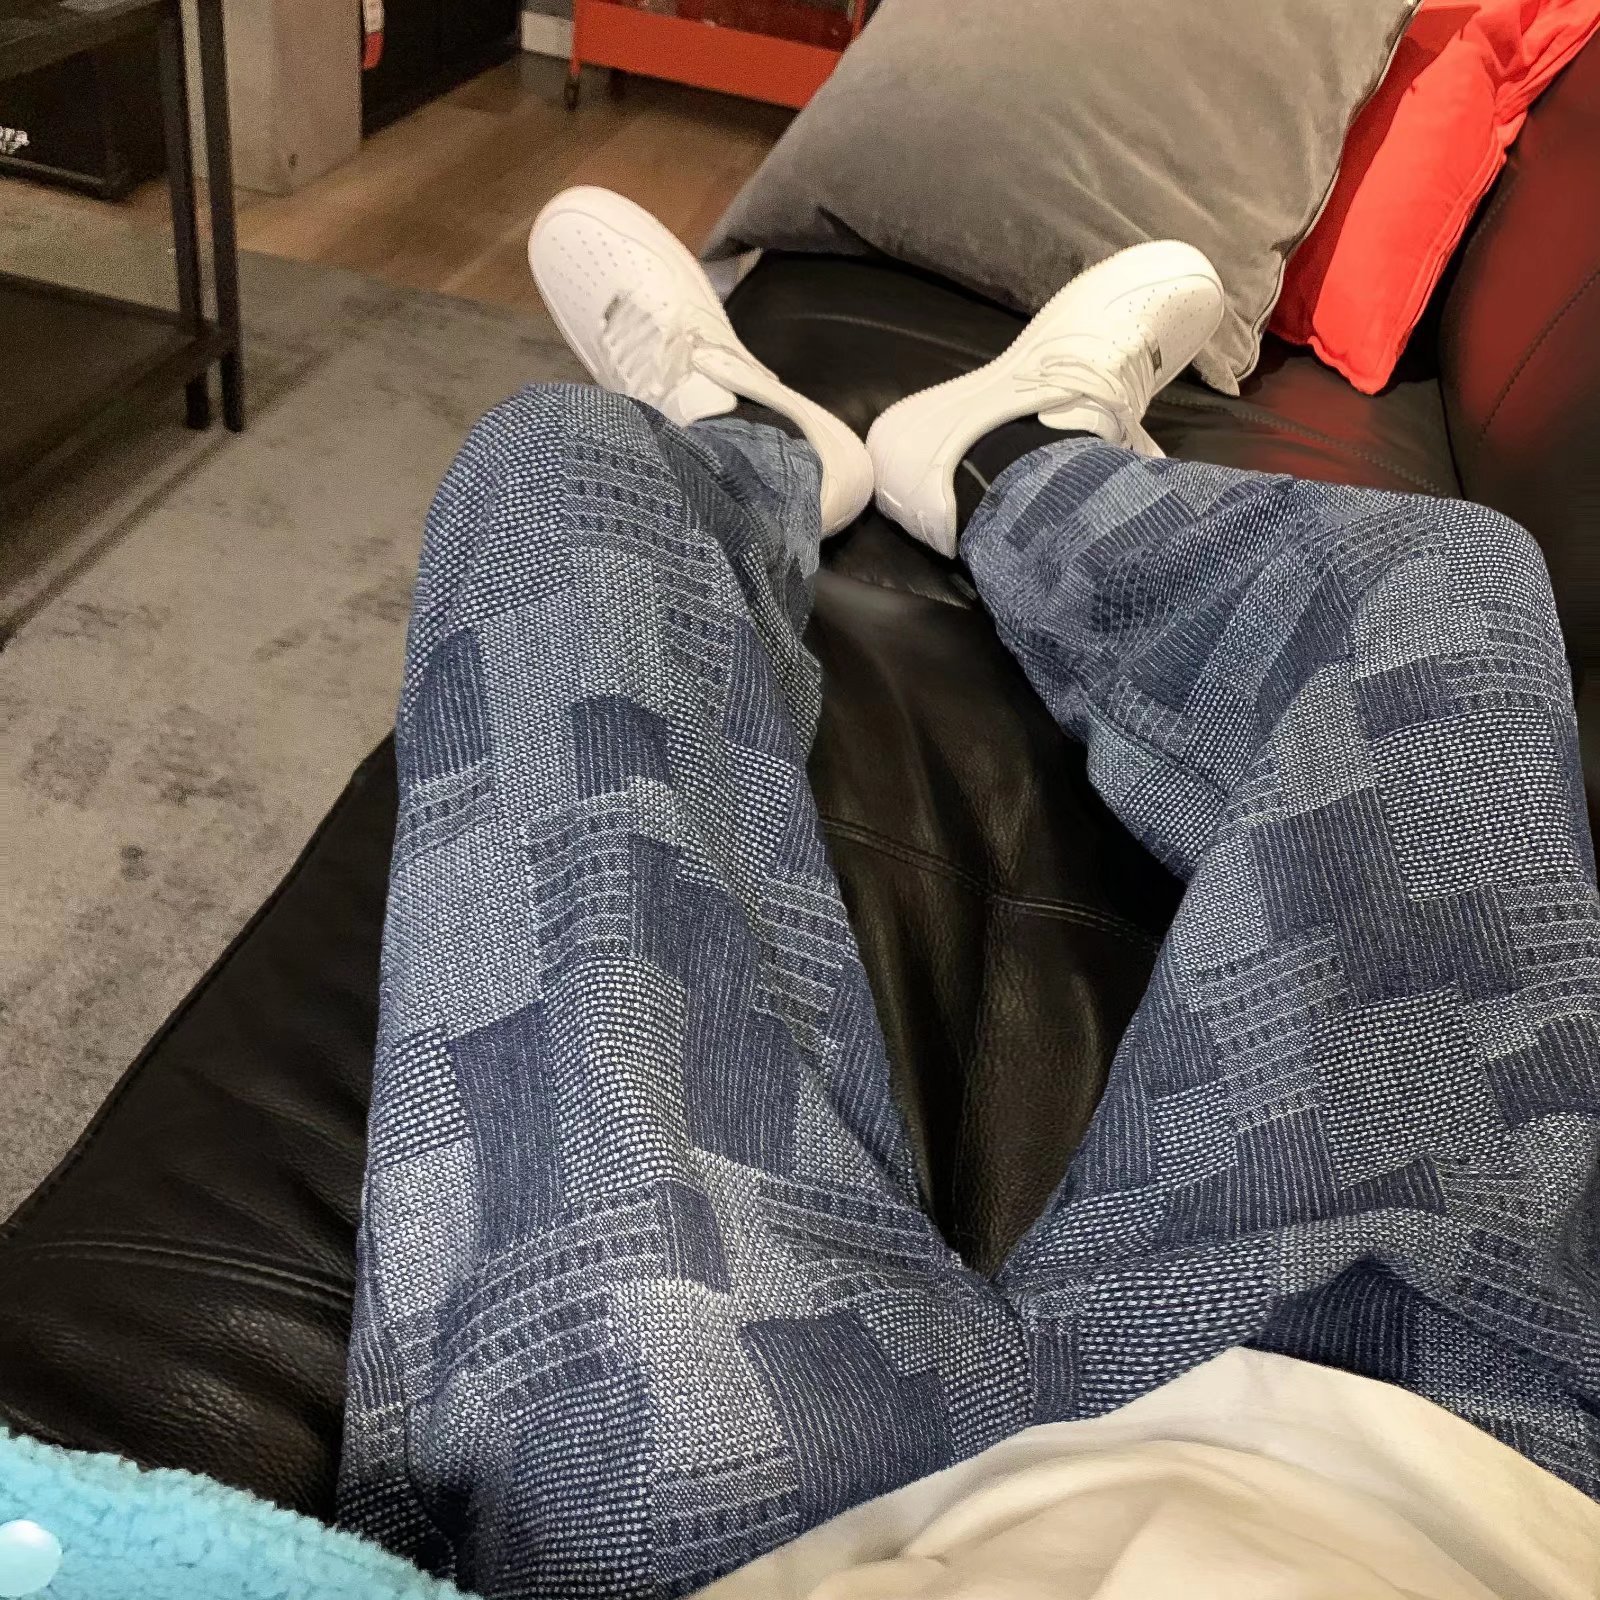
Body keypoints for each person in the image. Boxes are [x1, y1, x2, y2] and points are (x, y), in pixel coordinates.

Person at [336, 188, 1600, 1600]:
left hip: (704, 1533)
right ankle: (1019, 461)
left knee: (553, 468)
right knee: (1449, 578)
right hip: (1437, 1466)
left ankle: (736, 443)